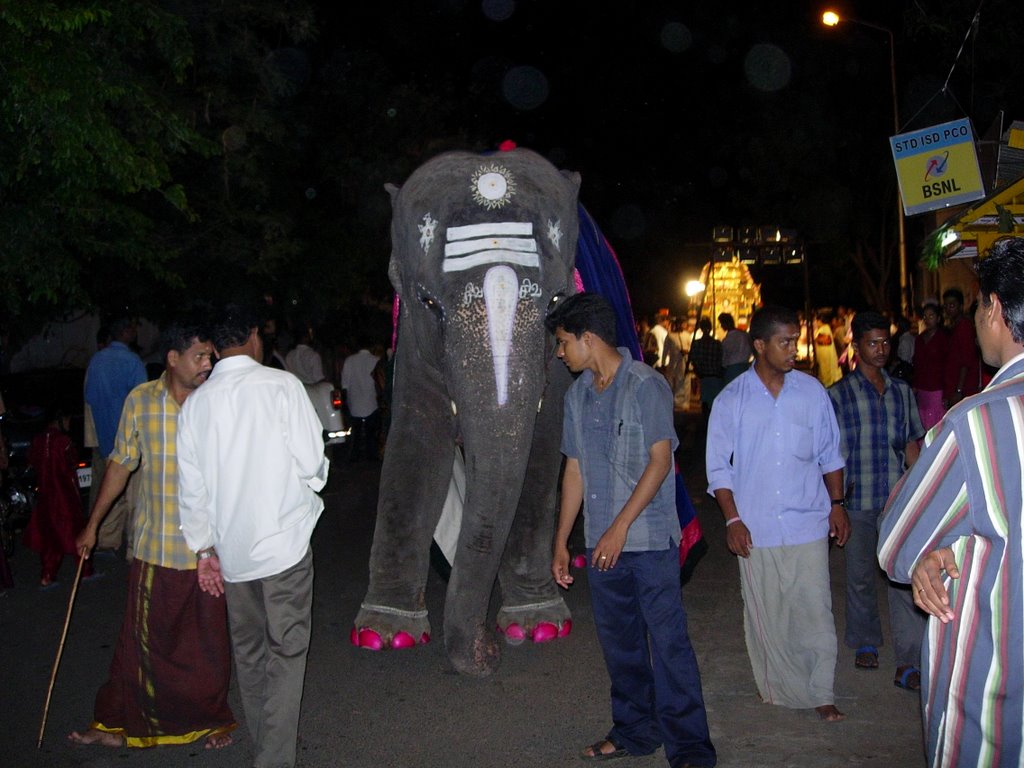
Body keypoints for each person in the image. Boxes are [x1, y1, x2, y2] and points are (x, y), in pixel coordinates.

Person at [546, 293, 716, 767]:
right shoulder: (576, 396)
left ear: (588, 338)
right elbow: (575, 470)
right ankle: (635, 732)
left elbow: (661, 462)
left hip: (646, 544)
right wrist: (561, 541)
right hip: (601, 546)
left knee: (668, 647)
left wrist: (620, 528)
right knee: (621, 648)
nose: (561, 354)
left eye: (563, 343)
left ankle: (691, 751)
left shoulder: (645, 385)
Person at [878, 237, 1024, 767]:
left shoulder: (977, 424)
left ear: (995, 310)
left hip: (994, 696)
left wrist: (937, 550)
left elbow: (895, 546)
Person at [70, 320, 235, 750]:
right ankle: (112, 722)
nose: (208, 364)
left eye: (210, 356)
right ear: (173, 358)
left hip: (208, 551)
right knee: (138, 644)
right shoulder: (141, 401)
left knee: (207, 644)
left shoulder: (217, 402)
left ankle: (211, 720)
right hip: (155, 545)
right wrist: (93, 526)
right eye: (199, 356)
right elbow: (120, 465)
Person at [177, 304, 329, 768]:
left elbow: (192, 487)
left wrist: (204, 549)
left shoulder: (196, 404)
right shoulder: (281, 387)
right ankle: (273, 759)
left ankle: (268, 749)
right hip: (283, 543)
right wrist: (314, 480)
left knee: (250, 653)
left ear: (216, 347)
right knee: (287, 651)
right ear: (253, 337)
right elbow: (311, 463)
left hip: (233, 551)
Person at [706, 305, 849, 722]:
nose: (795, 349)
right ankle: (780, 687)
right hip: (757, 525)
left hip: (808, 518)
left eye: (796, 340)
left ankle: (822, 691)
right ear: (760, 346)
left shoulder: (811, 392)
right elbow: (718, 466)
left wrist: (837, 505)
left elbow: (830, 454)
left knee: (815, 609)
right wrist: (733, 519)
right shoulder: (733, 399)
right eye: (785, 342)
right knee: (769, 612)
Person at [826, 311, 925, 689]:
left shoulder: (902, 392)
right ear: (856, 346)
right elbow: (831, 453)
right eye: (872, 343)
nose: (881, 349)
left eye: (886, 342)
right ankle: (866, 642)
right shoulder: (838, 395)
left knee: (901, 578)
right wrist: (835, 503)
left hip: (897, 499)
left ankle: (909, 660)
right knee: (861, 578)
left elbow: (912, 444)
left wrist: (919, 492)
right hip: (857, 499)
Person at [84, 317, 146, 553]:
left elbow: (89, 398)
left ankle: (106, 539)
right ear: (127, 331)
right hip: (129, 440)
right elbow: (142, 402)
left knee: (105, 491)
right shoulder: (132, 361)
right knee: (134, 497)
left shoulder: (97, 360)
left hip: (103, 438)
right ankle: (134, 546)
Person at [23, 409, 95, 588]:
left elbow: (32, 461)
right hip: (64, 497)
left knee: (50, 535)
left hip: (46, 498)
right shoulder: (63, 442)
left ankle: (47, 575)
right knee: (78, 531)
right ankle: (84, 571)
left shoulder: (38, 441)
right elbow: (71, 463)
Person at [341, 336, 382, 461]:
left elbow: (345, 384)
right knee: (371, 433)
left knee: (356, 433)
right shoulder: (376, 360)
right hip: (372, 402)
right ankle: (371, 456)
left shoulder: (349, 361)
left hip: (355, 403)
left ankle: (355, 456)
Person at [912, 300, 949, 432]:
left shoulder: (943, 338)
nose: (928, 320)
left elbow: (947, 366)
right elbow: (917, 364)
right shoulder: (919, 339)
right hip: (922, 389)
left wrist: (948, 391)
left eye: (931, 316)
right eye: (925, 317)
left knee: (937, 425)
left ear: (938, 318)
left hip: (937, 389)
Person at [942, 287, 981, 409]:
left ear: (960, 306)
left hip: (963, 388)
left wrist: (958, 390)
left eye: (952, 305)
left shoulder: (964, 326)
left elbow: (966, 361)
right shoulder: (953, 327)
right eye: (946, 306)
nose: (949, 309)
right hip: (954, 385)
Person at [688, 317, 724, 417]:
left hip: (704, 375)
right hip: (715, 375)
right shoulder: (717, 343)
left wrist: (698, 370)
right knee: (714, 400)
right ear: (711, 329)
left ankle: (705, 421)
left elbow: (693, 359)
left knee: (705, 399)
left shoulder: (696, 343)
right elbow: (721, 359)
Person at [718, 312, 752, 384]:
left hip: (732, 371)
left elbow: (723, 357)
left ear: (725, 323)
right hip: (745, 368)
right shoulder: (745, 335)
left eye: (721, 323)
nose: (721, 326)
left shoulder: (728, 339)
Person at [814, 313, 842, 387]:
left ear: (820, 321)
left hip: (825, 355)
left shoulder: (824, 328)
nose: (816, 323)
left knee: (826, 372)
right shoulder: (824, 328)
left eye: (817, 321)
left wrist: (817, 339)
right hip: (824, 355)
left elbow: (826, 340)